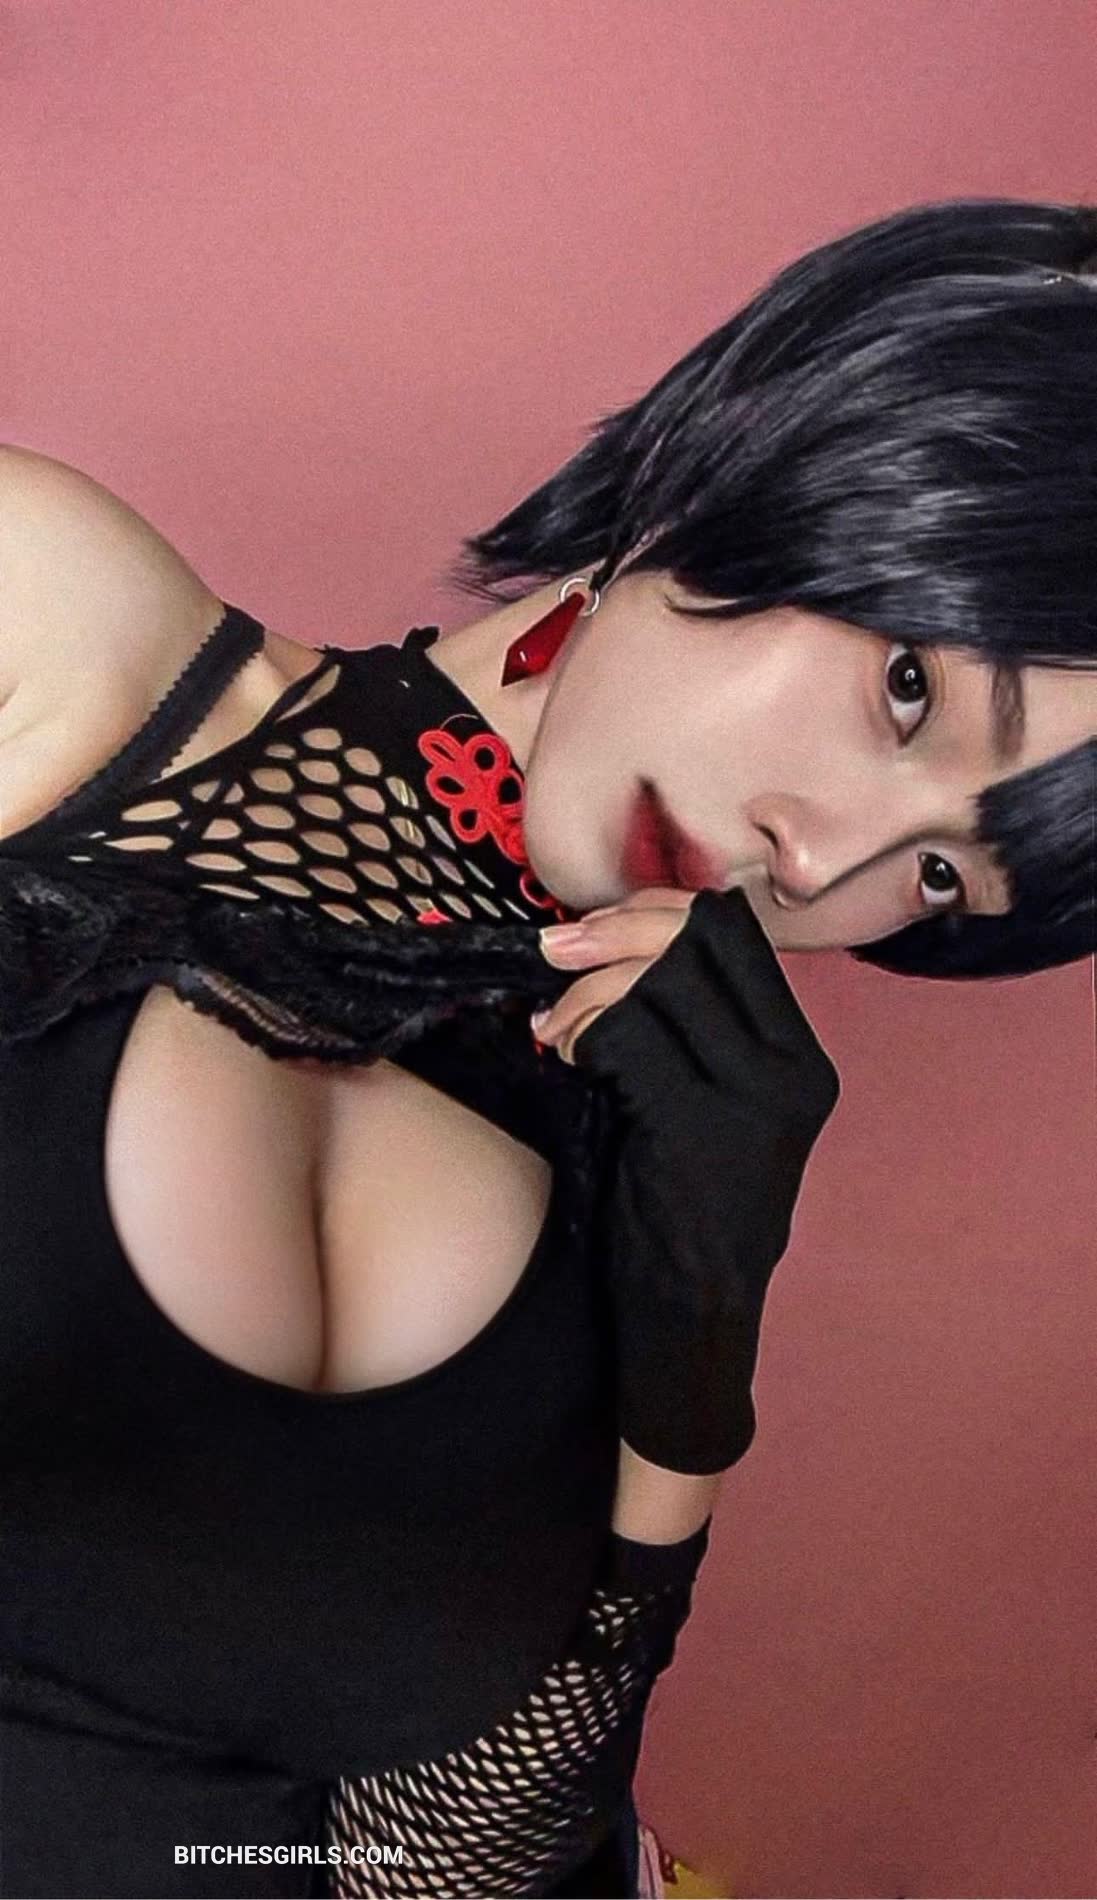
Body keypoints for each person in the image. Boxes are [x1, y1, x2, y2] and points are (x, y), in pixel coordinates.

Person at [1, 194, 1094, 1900]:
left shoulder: (645, 1149)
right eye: (908, 693)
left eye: (944, 874)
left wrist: (696, 1347)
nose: (822, 862)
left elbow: (438, 1869)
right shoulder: (63, 640)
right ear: (782, 450)